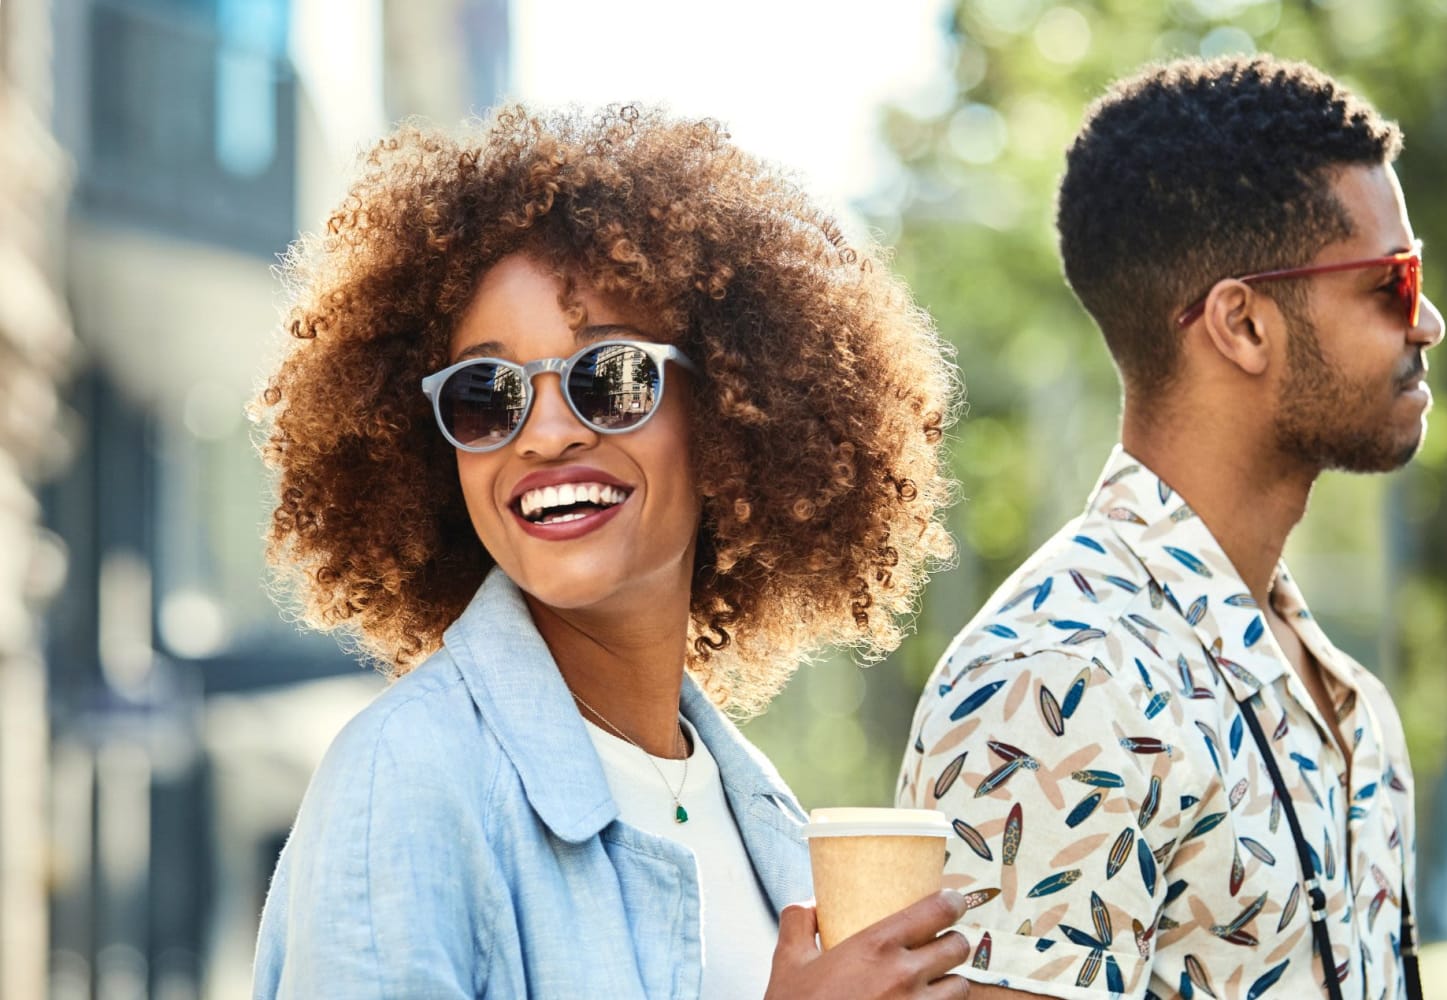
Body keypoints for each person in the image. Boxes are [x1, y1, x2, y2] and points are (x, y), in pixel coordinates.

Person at [251, 104, 972, 1000]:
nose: (545, 434)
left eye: (613, 378)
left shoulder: (766, 823)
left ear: (727, 416)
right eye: (487, 394)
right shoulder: (408, 776)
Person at [896, 56, 1445, 1000]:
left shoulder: (1347, 702)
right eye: (1391, 283)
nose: (1427, 321)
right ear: (1243, 325)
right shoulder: (1055, 683)